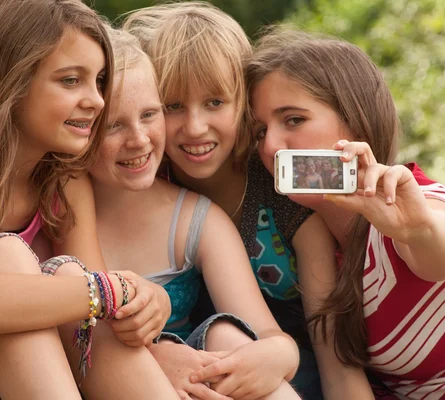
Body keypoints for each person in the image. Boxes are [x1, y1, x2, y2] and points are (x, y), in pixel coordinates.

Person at [0, 1, 177, 398]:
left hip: (5, 369)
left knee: (70, 276)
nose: (96, 99)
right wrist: (110, 290)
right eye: (71, 80)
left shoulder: (64, 178)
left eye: (99, 81)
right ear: (9, 79)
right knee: (7, 255)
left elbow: (94, 307)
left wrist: (148, 299)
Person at [247, 28, 445, 399]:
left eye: (293, 120)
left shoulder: (412, 198)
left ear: (356, 120)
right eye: (260, 131)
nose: (272, 146)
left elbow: (441, 252)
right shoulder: (317, 252)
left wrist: (416, 229)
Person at [122, 4, 334, 398]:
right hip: (211, 366)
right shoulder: (147, 185)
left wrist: (279, 354)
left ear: (244, 103)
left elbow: (332, 346)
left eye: (215, 102)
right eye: (172, 106)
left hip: (301, 370)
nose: (195, 127)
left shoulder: (281, 186)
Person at [79, 26, 302, 400]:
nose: (138, 139)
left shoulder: (195, 218)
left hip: (198, 377)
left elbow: (267, 334)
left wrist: (277, 353)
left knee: (226, 336)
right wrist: (152, 358)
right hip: (96, 377)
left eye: (150, 114)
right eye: (113, 124)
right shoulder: (53, 214)